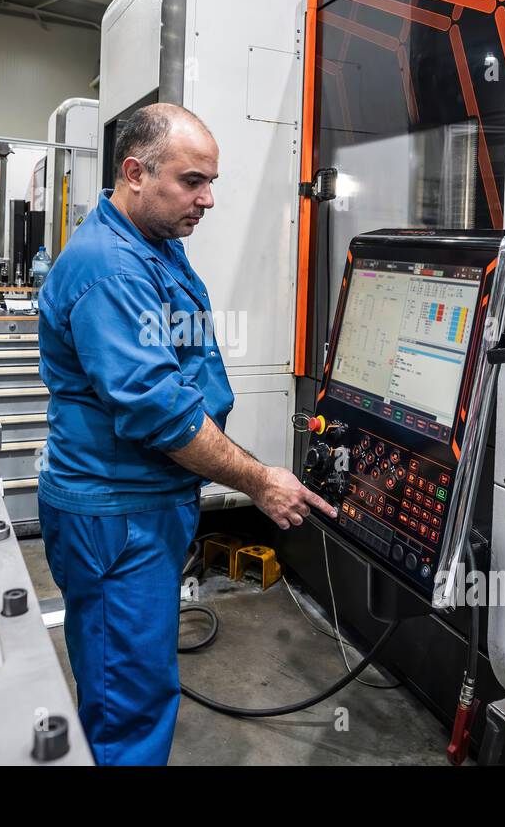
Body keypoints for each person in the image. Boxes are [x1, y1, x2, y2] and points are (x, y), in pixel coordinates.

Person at [37, 103, 337, 766]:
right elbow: (159, 413)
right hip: (120, 516)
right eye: (193, 180)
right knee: (128, 698)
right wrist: (260, 480)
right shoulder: (112, 269)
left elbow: (185, 369)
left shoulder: (158, 245)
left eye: (212, 183)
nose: (207, 199)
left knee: (132, 672)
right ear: (134, 172)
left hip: (150, 501)